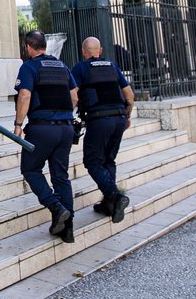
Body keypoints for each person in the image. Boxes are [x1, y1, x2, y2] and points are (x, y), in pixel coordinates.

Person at [14, 30, 79, 243]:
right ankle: (67, 229)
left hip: (42, 128)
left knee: (30, 169)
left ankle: (55, 206)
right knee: (61, 175)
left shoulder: (29, 66)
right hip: (66, 128)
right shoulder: (61, 66)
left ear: (28, 47)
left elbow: (25, 95)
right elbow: (74, 95)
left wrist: (18, 125)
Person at [71, 36, 135, 224]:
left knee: (92, 161)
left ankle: (115, 196)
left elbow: (73, 95)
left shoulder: (81, 68)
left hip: (99, 120)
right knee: (108, 160)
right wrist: (127, 116)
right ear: (100, 51)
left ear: (84, 51)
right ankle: (109, 205)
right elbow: (129, 94)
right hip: (119, 119)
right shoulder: (112, 66)